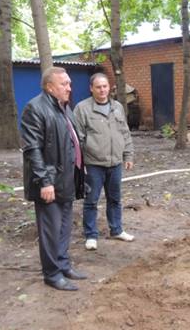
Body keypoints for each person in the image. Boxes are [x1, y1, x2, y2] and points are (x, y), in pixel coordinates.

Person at [20, 66, 87, 291]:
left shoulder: (63, 108)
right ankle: (52, 273)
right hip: (50, 181)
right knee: (51, 229)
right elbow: (33, 149)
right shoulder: (35, 108)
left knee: (65, 226)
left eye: (69, 83)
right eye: (64, 84)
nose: (69, 87)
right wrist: (44, 181)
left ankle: (63, 264)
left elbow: (71, 142)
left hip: (67, 179)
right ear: (50, 87)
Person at [74, 73, 135, 251]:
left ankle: (116, 229)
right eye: (98, 87)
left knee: (115, 199)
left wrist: (128, 155)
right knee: (91, 200)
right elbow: (78, 139)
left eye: (105, 86)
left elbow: (125, 132)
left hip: (115, 163)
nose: (102, 90)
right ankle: (91, 235)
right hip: (93, 165)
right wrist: (83, 161)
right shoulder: (82, 108)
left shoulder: (117, 107)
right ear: (91, 88)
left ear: (109, 87)